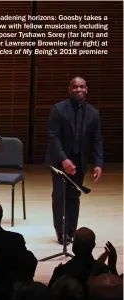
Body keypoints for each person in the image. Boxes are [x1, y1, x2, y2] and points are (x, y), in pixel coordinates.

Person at [45, 76, 103, 244]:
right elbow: (53, 136)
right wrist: (63, 159)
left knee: (74, 196)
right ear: (69, 89)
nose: (79, 89)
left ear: (86, 89)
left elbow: (97, 139)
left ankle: (72, 231)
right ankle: (61, 231)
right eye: (75, 87)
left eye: (82, 86)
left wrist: (98, 164)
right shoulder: (58, 109)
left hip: (80, 162)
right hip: (59, 161)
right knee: (59, 196)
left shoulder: (93, 113)